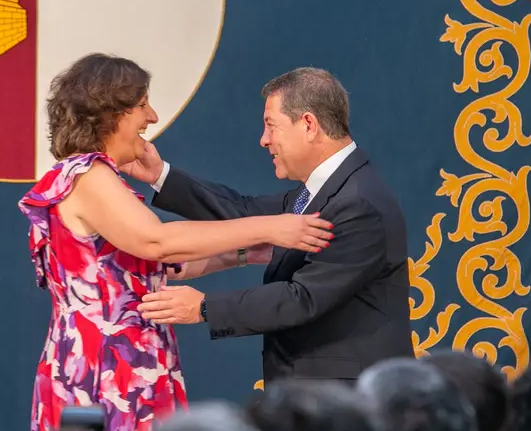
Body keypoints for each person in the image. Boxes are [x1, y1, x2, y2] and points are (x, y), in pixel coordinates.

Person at [18, 54, 334, 431]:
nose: (151, 117)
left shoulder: (91, 177)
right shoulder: (88, 176)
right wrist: (270, 226)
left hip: (118, 360)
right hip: (102, 368)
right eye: (142, 105)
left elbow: (165, 264)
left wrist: (244, 254)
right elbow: (158, 241)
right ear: (110, 112)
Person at [124, 67, 412, 383]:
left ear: (308, 125)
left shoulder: (358, 203)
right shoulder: (325, 191)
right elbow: (243, 212)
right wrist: (159, 175)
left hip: (348, 399)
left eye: (270, 127)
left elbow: (304, 298)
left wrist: (204, 307)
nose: (264, 140)